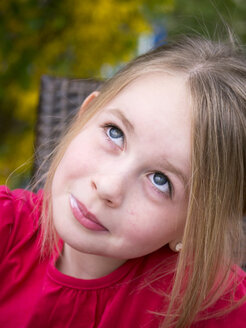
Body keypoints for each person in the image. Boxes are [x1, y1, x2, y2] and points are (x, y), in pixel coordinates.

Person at [0, 34, 245, 328]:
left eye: (160, 180)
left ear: (194, 224)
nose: (108, 187)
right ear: (86, 115)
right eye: (114, 133)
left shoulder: (214, 308)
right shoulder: (6, 228)